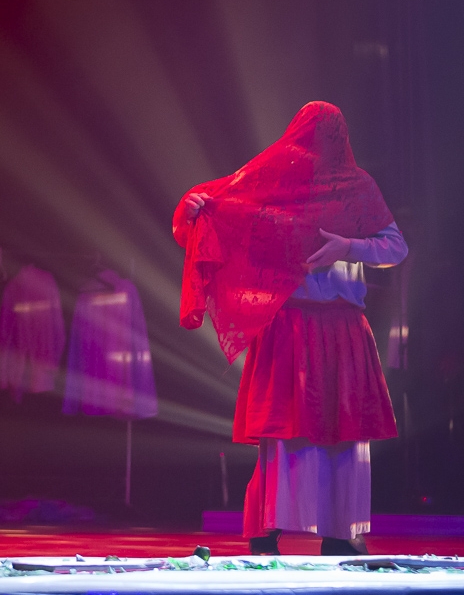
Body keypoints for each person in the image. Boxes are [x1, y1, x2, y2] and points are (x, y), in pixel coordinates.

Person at [172, 101, 407, 556]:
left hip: (341, 326)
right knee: (283, 433)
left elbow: (395, 247)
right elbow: (224, 212)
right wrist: (195, 208)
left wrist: (347, 246)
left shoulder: (357, 187)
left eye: (329, 138)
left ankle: (341, 531)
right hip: (290, 323)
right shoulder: (274, 185)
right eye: (313, 138)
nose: (321, 147)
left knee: (344, 432)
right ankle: (269, 528)